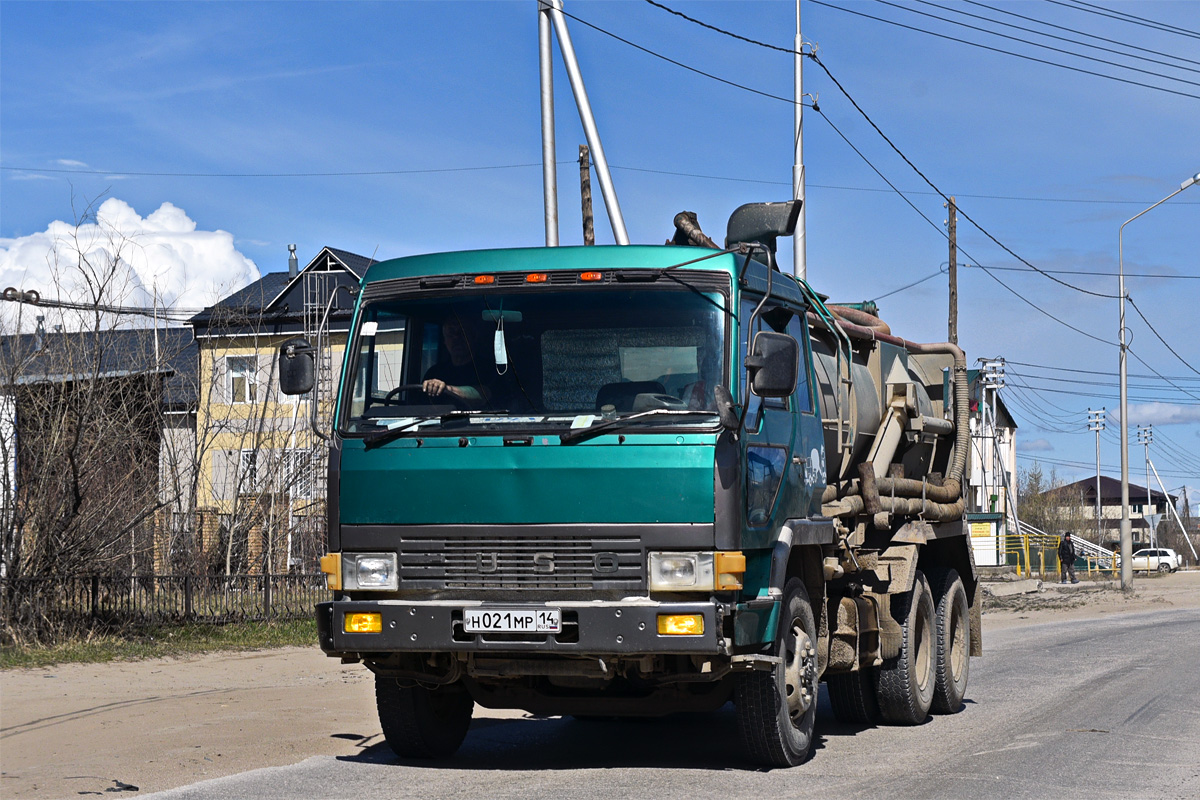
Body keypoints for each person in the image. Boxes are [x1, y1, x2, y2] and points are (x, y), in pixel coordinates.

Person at [421, 315, 490, 408]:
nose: (456, 338)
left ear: (473, 337)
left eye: (462, 332)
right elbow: (419, 407)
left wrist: (446, 389)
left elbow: (485, 394)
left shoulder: (489, 369)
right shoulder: (434, 373)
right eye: (451, 333)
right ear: (445, 341)